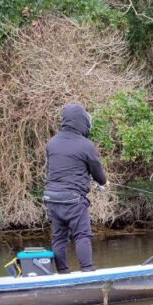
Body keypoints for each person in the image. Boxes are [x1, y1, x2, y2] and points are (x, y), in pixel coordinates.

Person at [44, 103, 107, 272]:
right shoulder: (86, 145)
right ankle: (87, 270)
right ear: (82, 122)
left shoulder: (52, 143)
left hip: (52, 197)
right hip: (73, 200)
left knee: (59, 237)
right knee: (82, 235)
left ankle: (63, 273)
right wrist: (103, 183)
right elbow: (97, 172)